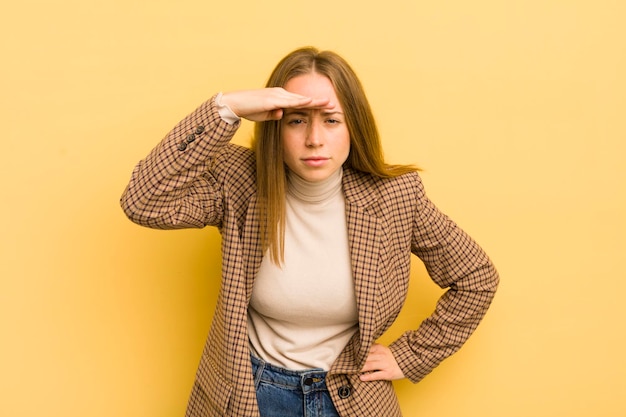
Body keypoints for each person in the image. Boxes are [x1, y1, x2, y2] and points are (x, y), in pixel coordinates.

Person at [120, 46, 499, 417]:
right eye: (297, 120)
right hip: (250, 395)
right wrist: (228, 108)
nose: (314, 139)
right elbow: (142, 200)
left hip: (351, 398)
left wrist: (411, 355)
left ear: (354, 127)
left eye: (331, 120)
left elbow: (477, 277)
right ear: (275, 125)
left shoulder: (395, 197)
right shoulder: (240, 182)